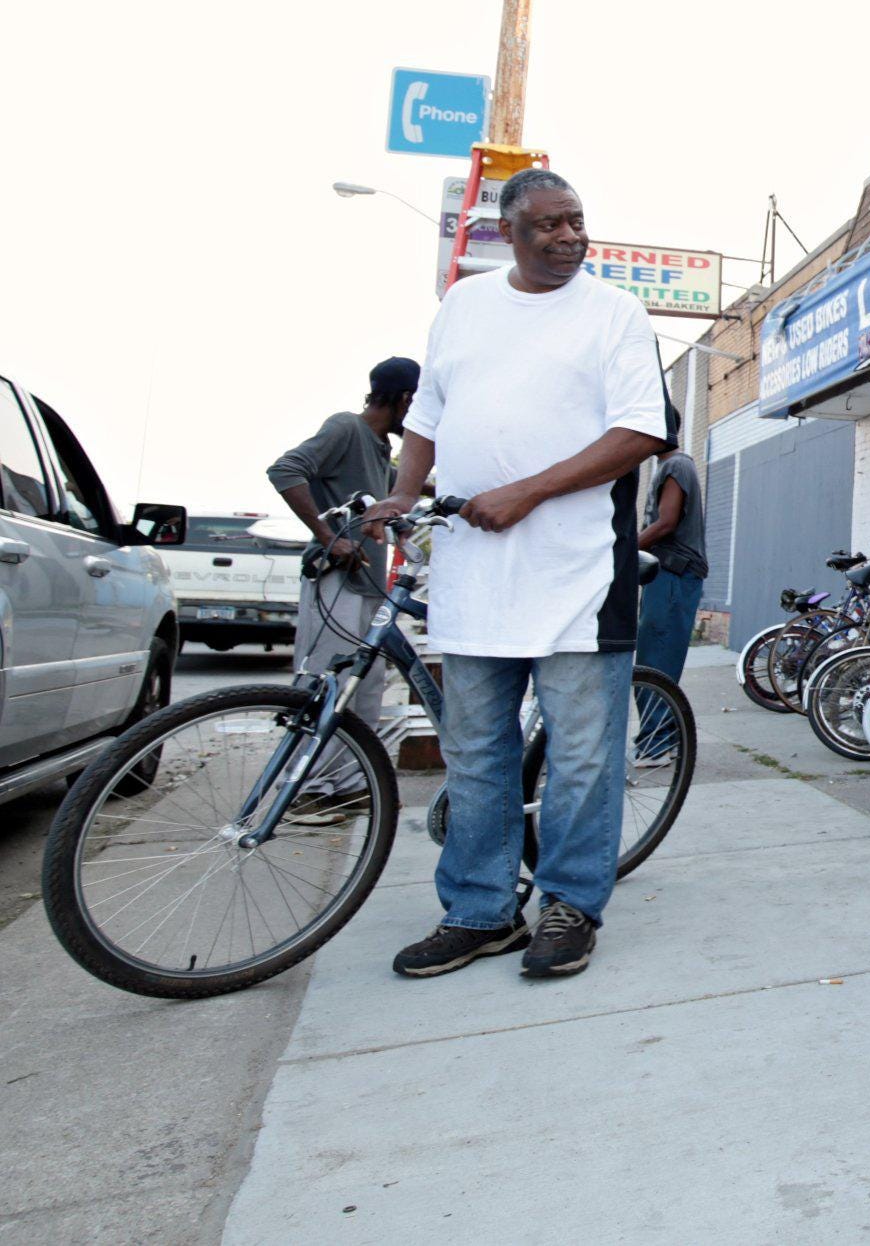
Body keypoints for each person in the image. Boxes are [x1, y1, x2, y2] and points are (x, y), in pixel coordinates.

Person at [364, 167, 671, 982]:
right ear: (510, 232)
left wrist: (526, 492)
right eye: (548, 225)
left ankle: (570, 904)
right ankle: (479, 911)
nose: (569, 236)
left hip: (574, 575)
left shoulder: (614, 313)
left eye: (576, 221)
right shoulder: (465, 306)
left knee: (581, 757)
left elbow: (641, 430)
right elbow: (425, 420)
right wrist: (402, 494)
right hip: (473, 578)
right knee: (475, 753)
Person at [266, 356, 419, 799]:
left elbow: (400, 489)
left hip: (367, 583)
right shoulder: (346, 428)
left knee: (365, 685)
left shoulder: (377, 447)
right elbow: (285, 470)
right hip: (334, 577)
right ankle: (307, 790)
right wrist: (329, 536)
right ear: (405, 398)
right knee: (322, 682)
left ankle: (349, 784)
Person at [632, 446, 705, 757]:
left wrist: (621, 553)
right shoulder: (675, 465)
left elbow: (665, 523)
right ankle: (665, 740)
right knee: (658, 658)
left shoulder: (676, 465)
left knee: (655, 661)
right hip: (670, 574)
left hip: (673, 573)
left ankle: (656, 744)